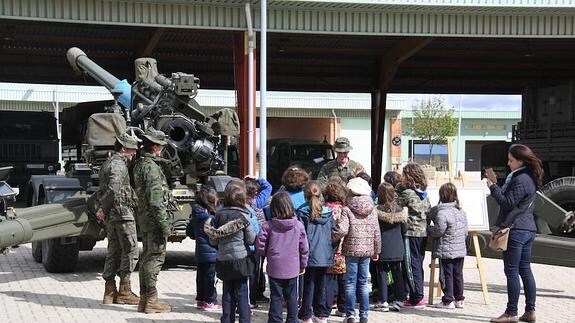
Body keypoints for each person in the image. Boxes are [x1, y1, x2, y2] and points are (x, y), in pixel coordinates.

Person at [485, 144, 543, 323]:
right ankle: (530, 311)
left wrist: (493, 186)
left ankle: (511, 313)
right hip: (527, 228)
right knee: (525, 270)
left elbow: (508, 203)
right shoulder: (528, 177)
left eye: (511, 160)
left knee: (512, 271)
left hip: (516, 230)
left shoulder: (521, 179)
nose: (508, 163)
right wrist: (497, 184)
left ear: (521, 160)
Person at [132, 127, 173, 314]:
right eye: (162, 146)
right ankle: (152, 302)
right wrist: (165, 226)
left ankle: (144, 300)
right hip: (154, 220)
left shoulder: (140, 164)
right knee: (155, 259)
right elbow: (156, 201)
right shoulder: (152, 168)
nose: (163, 149)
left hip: (145, 218)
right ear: (155, 146)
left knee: (147, 258)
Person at [97, 132, 140, 305]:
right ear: (123, 148)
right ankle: (125, 291)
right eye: (132, 150)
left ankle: (109, 292)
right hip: (122, 213)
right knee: (131, 250)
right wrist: (103, 208)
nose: (134, 153)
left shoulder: (108, 162)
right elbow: (114, 189)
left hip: (113, 215)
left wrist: (104, 208)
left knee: (113, 251)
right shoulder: (119, 164)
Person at [204, 180, 256, 323]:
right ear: (242, 199)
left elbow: (213, 240)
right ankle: (245, 320)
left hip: (223, 260)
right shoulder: (243, 216)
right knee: (242, 293)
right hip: (240, 260)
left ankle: (227, 319)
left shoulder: (218, 216)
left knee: (227, 292)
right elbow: (251, 239)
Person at [333, 177, 381, 323]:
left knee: (350, 282)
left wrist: (330, 236)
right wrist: (376, 250)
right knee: (363, 283)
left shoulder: (347, 209)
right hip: (367, 251)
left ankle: (350, 314)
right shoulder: (372, 210)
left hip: (351, 250)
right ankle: (364, 315)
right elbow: (376, 232)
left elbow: (342, 230)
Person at [256, 192, 309, 323]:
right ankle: (292, 319)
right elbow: (304, 248)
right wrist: (303, 264)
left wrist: (266, 253)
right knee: (292, 297)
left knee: (276, 296)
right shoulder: (298, 225)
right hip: (293, 267)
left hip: (275, 266)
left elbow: (260, 245)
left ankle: (275, 319)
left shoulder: (268, 226)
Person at [296, 180, 335, 323]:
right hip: (324, 253)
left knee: (308, 285)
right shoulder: (328, 212)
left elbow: (299, 234)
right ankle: (321, 314)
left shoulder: (301, 211)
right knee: (321, 285)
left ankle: (306, 314)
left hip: (309, 253)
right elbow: (334, 231)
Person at [427, 182, 468, 310]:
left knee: (446, 275)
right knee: (458, 274)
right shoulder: (461, 211)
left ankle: (448, 300)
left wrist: (428, 228)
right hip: (460, 249)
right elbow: (466, 232)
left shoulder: (442, 213)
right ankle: (459, 299)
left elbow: (439, 231)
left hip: (446, 249)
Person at [396, 162, 431, 309]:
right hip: (422, 233)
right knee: (418, 264)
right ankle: (418, 293)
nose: (401, 178)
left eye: (403, 175)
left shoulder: (407, 193)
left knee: (410, 265)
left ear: (408, 177)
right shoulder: (423, 193)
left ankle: (417, 297)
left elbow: (395, 203)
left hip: (410, 233)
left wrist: (398, 187)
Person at [372, 182, 408, 312]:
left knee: (381, 274)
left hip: (382, 246)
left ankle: (383, 301)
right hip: (397, 246)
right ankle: (399, 299)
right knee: (397, 273)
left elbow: (373, 229)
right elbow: (405, 229)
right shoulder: (401, 210)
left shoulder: (377, 210)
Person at [189, 185, 221, 311]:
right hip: (212, 253)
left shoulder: (196, 216)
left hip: (200, 252)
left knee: (201, 277)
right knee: (210, 278)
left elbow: (190, 233)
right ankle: (210, 301)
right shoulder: (211, 218)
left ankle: (201, 300)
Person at [245, 176, 272, 306]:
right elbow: (268, 187)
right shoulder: (259, 202)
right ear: (256, 192)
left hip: (246, 242)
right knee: (257, 269)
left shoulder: (242, 203)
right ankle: (255, 295)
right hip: (259, 240)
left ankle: (250, 296)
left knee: (250, 270)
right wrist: (257, 178)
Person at [323, 179, 349, 317]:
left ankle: (326, 308)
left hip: (328, 247)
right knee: (343, 278)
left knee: (329, 278)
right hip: (344, 247)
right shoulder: (345, 210)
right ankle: (343, 308)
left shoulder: (325, 209)